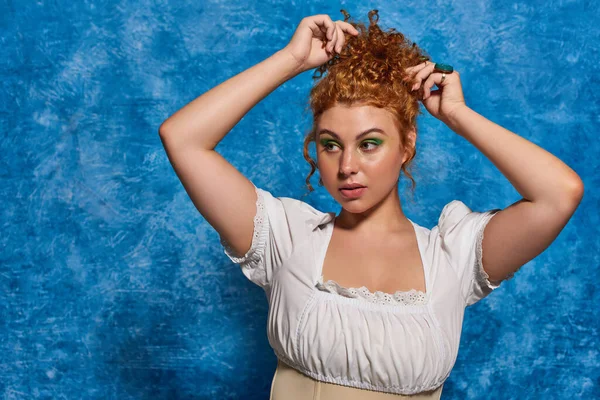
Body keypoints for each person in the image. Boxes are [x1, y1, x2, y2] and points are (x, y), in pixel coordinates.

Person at [158, 9, 584, 399]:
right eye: (330, 145)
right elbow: (183, 138)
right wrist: (291, 60)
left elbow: (559, 193)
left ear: (406, 146)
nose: (347, 166)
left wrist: (456, 114)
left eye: (369, 144)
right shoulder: (287, 238)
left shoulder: (451, 257)